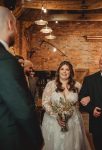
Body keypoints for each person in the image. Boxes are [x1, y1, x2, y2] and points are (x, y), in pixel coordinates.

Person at [0, 6, 43, 150]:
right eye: (16, 27)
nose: (17, 32)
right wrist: (37, 140)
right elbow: (23, 110)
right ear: (10, 24)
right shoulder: (6, 60)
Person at [42, 61, 91, 150]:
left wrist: (88, 98)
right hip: (54, 121)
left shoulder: (77, 85)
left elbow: (85, 97)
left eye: (67, 69)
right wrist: (56, 116)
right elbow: (45, 102)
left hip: (73, 120)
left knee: (73, 144)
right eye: (62, 69)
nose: (64, 72)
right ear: (58, 71)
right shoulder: (51, 85)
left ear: (71, 72)